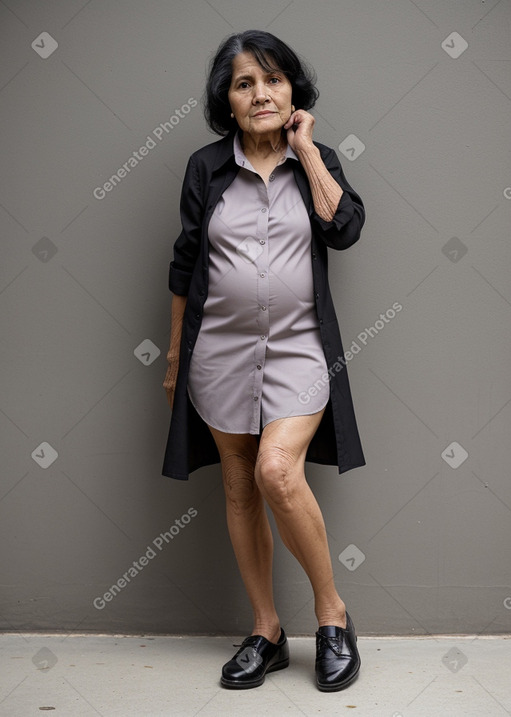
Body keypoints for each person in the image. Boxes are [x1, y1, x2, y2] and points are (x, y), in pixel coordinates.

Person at [162, 29, 366, 691]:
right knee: (239, 484)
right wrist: (173, 359)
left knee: (278, 471)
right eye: (245, 82)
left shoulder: (319, 156)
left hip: (299, 350)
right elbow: (185, 263)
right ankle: (266, 628)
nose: (261, 93)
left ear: (293, 91)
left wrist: (306, 152)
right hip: (218, 351)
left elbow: (346, 227)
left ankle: (332, 614)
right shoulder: (206, 168)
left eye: (273, 79)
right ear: (227, 98)